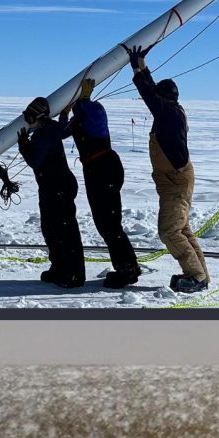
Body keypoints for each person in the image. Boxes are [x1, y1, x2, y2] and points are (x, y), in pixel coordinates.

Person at [125, 44, 210, 293]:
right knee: (181, 229)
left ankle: (195, 276)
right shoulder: (170, 111)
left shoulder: (168, 114)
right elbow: (153, 91)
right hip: (174, 181)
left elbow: (148, 93)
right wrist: (141, 63)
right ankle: (200, 275)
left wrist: (136, 68)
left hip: (175, 181)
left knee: (169, 231)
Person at [61, 78, 140, 288]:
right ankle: (127, 266)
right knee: (105, 222)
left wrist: (83, 102)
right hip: (97, 169)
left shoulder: (94, 112)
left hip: (103, 169)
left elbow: (90, 116)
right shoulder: (81, 118)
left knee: (109, 223)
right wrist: (65, 113)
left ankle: (128, 270)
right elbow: (63, 131)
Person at [17, 96, 85, 288]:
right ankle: (59, 267)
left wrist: (24, 146)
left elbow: (35, 161)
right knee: (51, 229)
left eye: (29, 116)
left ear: (38, 117)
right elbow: (64, 129)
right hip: (52, 187)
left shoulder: (44, 134)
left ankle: (73, 275)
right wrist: (64, 115)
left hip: (57, 187)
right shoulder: (52, 128)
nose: (27, 121)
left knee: (64, 231)